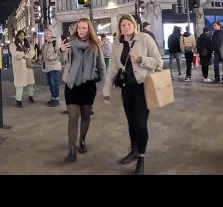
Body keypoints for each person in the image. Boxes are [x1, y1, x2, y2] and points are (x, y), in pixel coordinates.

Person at [103, 14, 162, 175]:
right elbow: (113, 69)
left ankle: (141, 158)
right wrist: (106, 92)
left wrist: (141, 59)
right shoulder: (117, 44)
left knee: (140, 124)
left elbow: (158, 61)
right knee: (131, 122)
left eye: (129, 24)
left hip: (143, 87)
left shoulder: (145, 38)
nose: (126, 27)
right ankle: (134, 150)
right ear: (120, 28)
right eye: (123, 25)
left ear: (134, 25)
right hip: (127, 89)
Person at [60, 18, 106, 163]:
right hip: (72, 85)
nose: (81, 30)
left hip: (88, 85)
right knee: (73, 117)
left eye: (84, 28)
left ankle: (82, 140)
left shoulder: (95, 46)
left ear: (89, 29)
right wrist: (61, 50)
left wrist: (99, 80)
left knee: (86, 116)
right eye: (79, 28)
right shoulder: (69, 43)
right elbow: (62, 61)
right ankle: (72, 150)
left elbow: (102, 68)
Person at [9, 30, 35, 108]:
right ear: (17, 36)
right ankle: (18, 100)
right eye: (20, 35)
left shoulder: (28, 44)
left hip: (28, 66)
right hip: (19, 67)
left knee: (30, 83)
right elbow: (16, 55)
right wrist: (24, 53)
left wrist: (24, 55)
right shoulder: (13, 45)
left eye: (23, 35)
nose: (22, 37)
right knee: (19, 84)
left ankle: (30, 96)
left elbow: (32, 53)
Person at [41, 28, 61, 107]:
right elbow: (43, 55)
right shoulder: (45, 44)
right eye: (45, 34)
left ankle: (56, 99)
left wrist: (50, 57)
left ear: (51, 34)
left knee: (54, 83)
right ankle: (53, 98)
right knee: (50, 83)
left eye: (47, 34)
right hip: (47, 66)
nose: (46, 35)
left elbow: (59, 53)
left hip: (54, 65)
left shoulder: (55, 42)